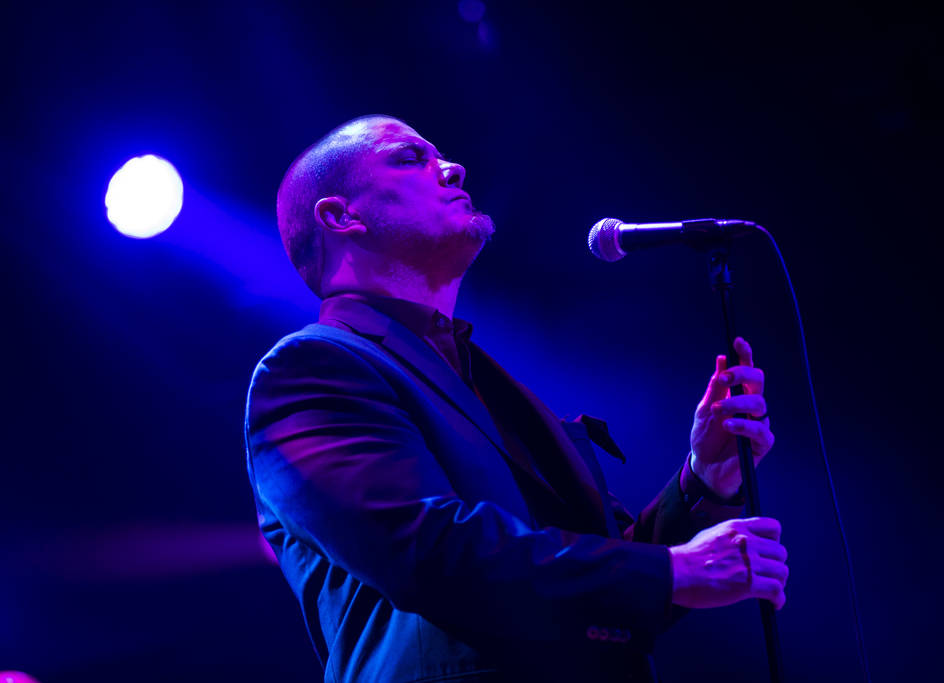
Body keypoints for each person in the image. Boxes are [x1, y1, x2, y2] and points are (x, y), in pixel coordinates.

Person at [244, 115, 788, 682]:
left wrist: (703, 479)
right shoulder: (312, 368)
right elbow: (427, 551)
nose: (451, 167)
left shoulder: (487, 381)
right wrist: (671, 573)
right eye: (410, 158)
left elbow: (599, 563)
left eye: (441, 156)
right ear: (340, 215)